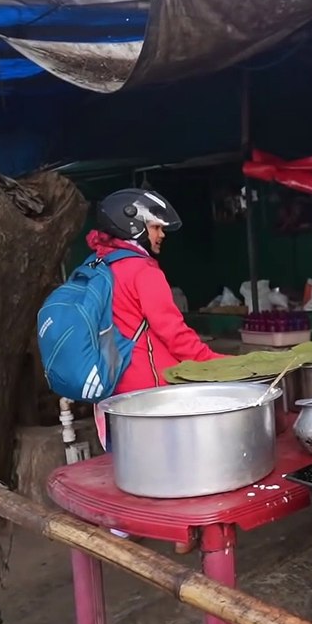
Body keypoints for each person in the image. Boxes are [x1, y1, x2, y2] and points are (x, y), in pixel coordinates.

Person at [88, 189, 225, 447]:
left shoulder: (97, 265)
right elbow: (174, 333)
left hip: (111, 394)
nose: (161, 234)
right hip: (149, 399)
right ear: (133, 226)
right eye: (155, 227)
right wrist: (218, 365)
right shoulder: (142, 270)